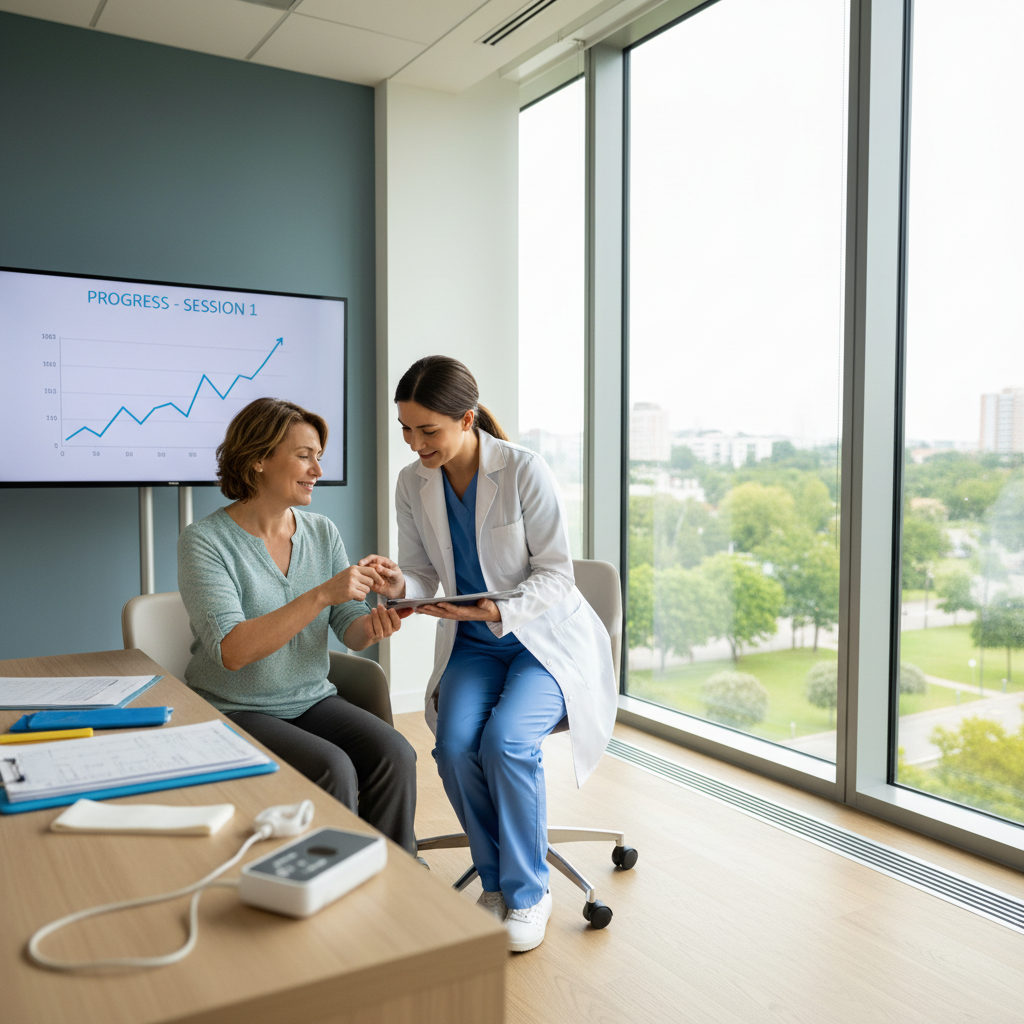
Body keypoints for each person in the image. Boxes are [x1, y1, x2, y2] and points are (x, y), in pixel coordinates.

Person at [359, 356, 617, 951]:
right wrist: (400, 588)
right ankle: (497, 881)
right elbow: (423, 574)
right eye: (405, 428)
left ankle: (532, 893)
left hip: (540, 641)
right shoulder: (412, 482)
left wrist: (497, 611)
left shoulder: (524, 470)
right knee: (452, 745)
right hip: (472, 645)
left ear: (466, 419)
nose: (414, 442)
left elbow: (556, 575)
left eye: (428, 430)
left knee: (506, 741)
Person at [177, 397, 417, 855]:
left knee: (395, 753)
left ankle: (397, 877)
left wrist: (378, 622)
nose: (317, 470)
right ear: (258, 460)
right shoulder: (204, 542)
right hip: (234, 707)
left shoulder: (321, 531)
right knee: (333, 767)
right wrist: (324, 593)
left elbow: (348, 627)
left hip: (310, 698)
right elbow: (233, 651)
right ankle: (326, 879)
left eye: (318, 457)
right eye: (304, 456)